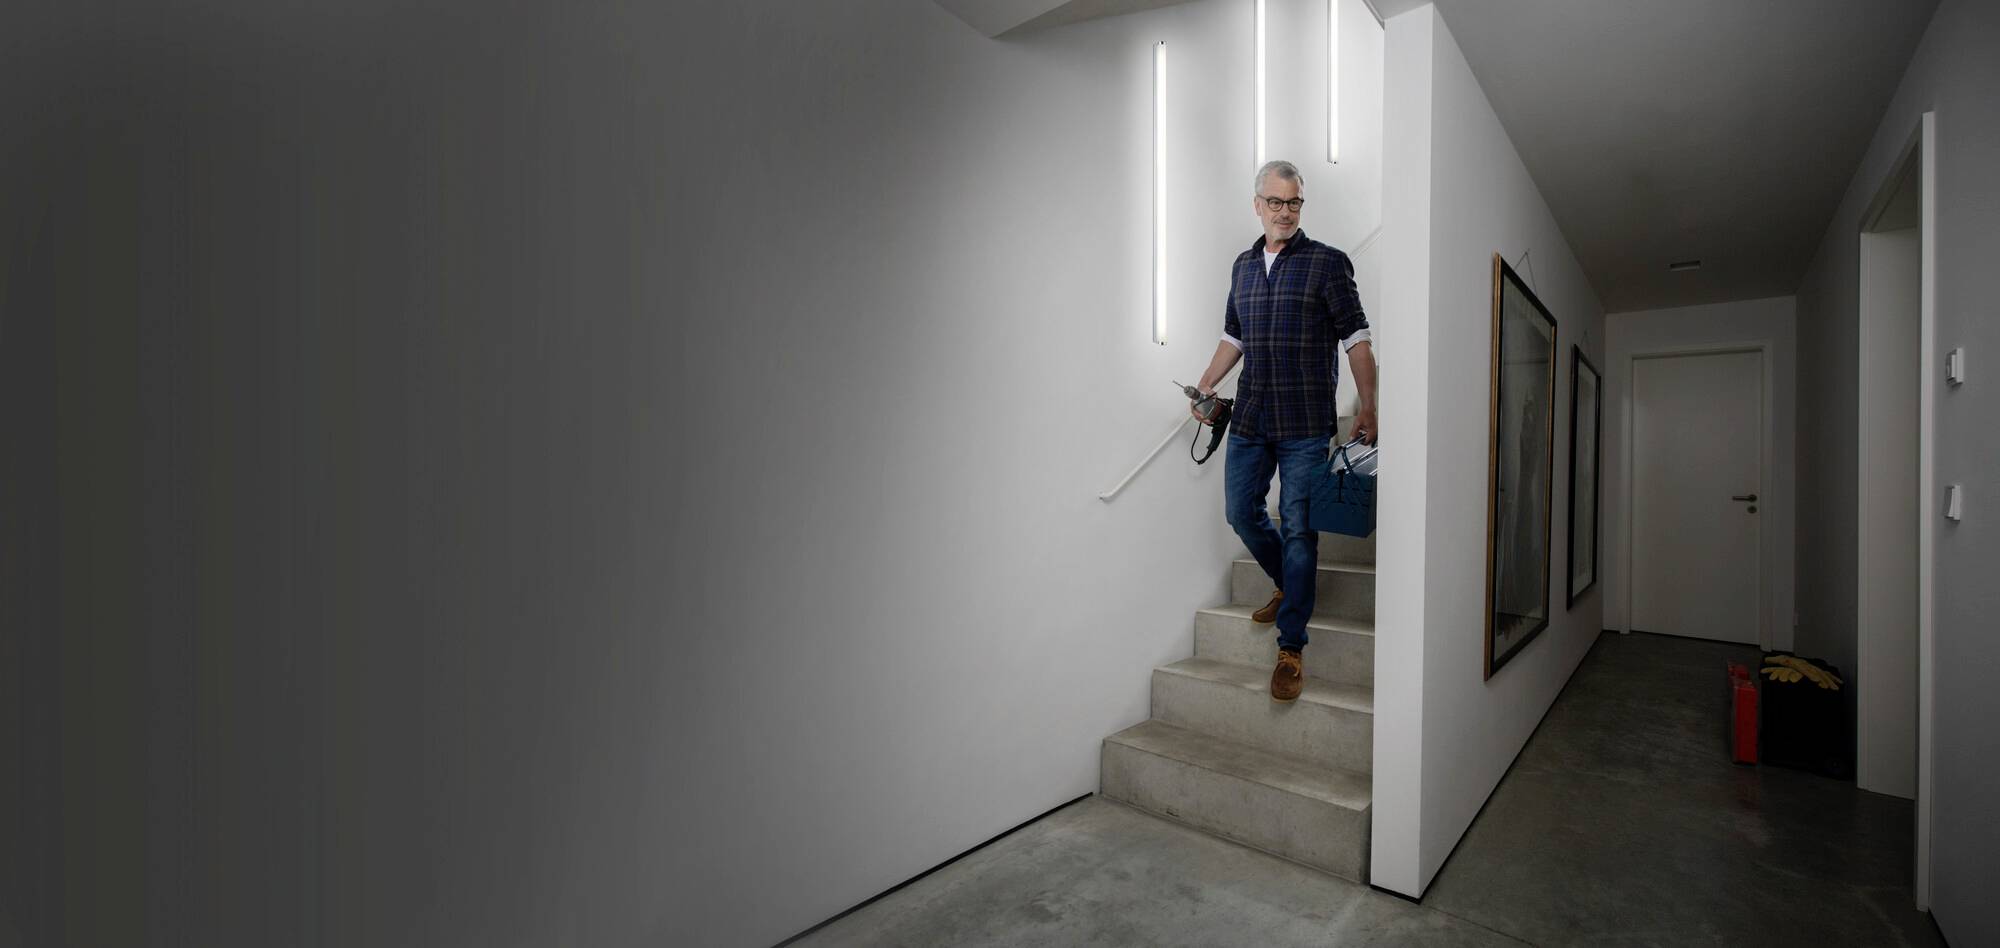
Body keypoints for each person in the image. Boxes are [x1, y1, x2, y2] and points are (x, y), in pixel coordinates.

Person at [1190, 159, 1378, 703]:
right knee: (1240, 512)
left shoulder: (1328, 264)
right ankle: (1289, 584)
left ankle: (1291, 645)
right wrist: (1206, 383)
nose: (1285, 212)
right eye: (1275, 202)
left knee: (1299, 528)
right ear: (1257, 205)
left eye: (1294, 202)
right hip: (1251, 415)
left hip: (1304, 421)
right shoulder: (1243, 267)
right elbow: (1235, 337)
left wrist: (1368, 405)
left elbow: (1357, 339)